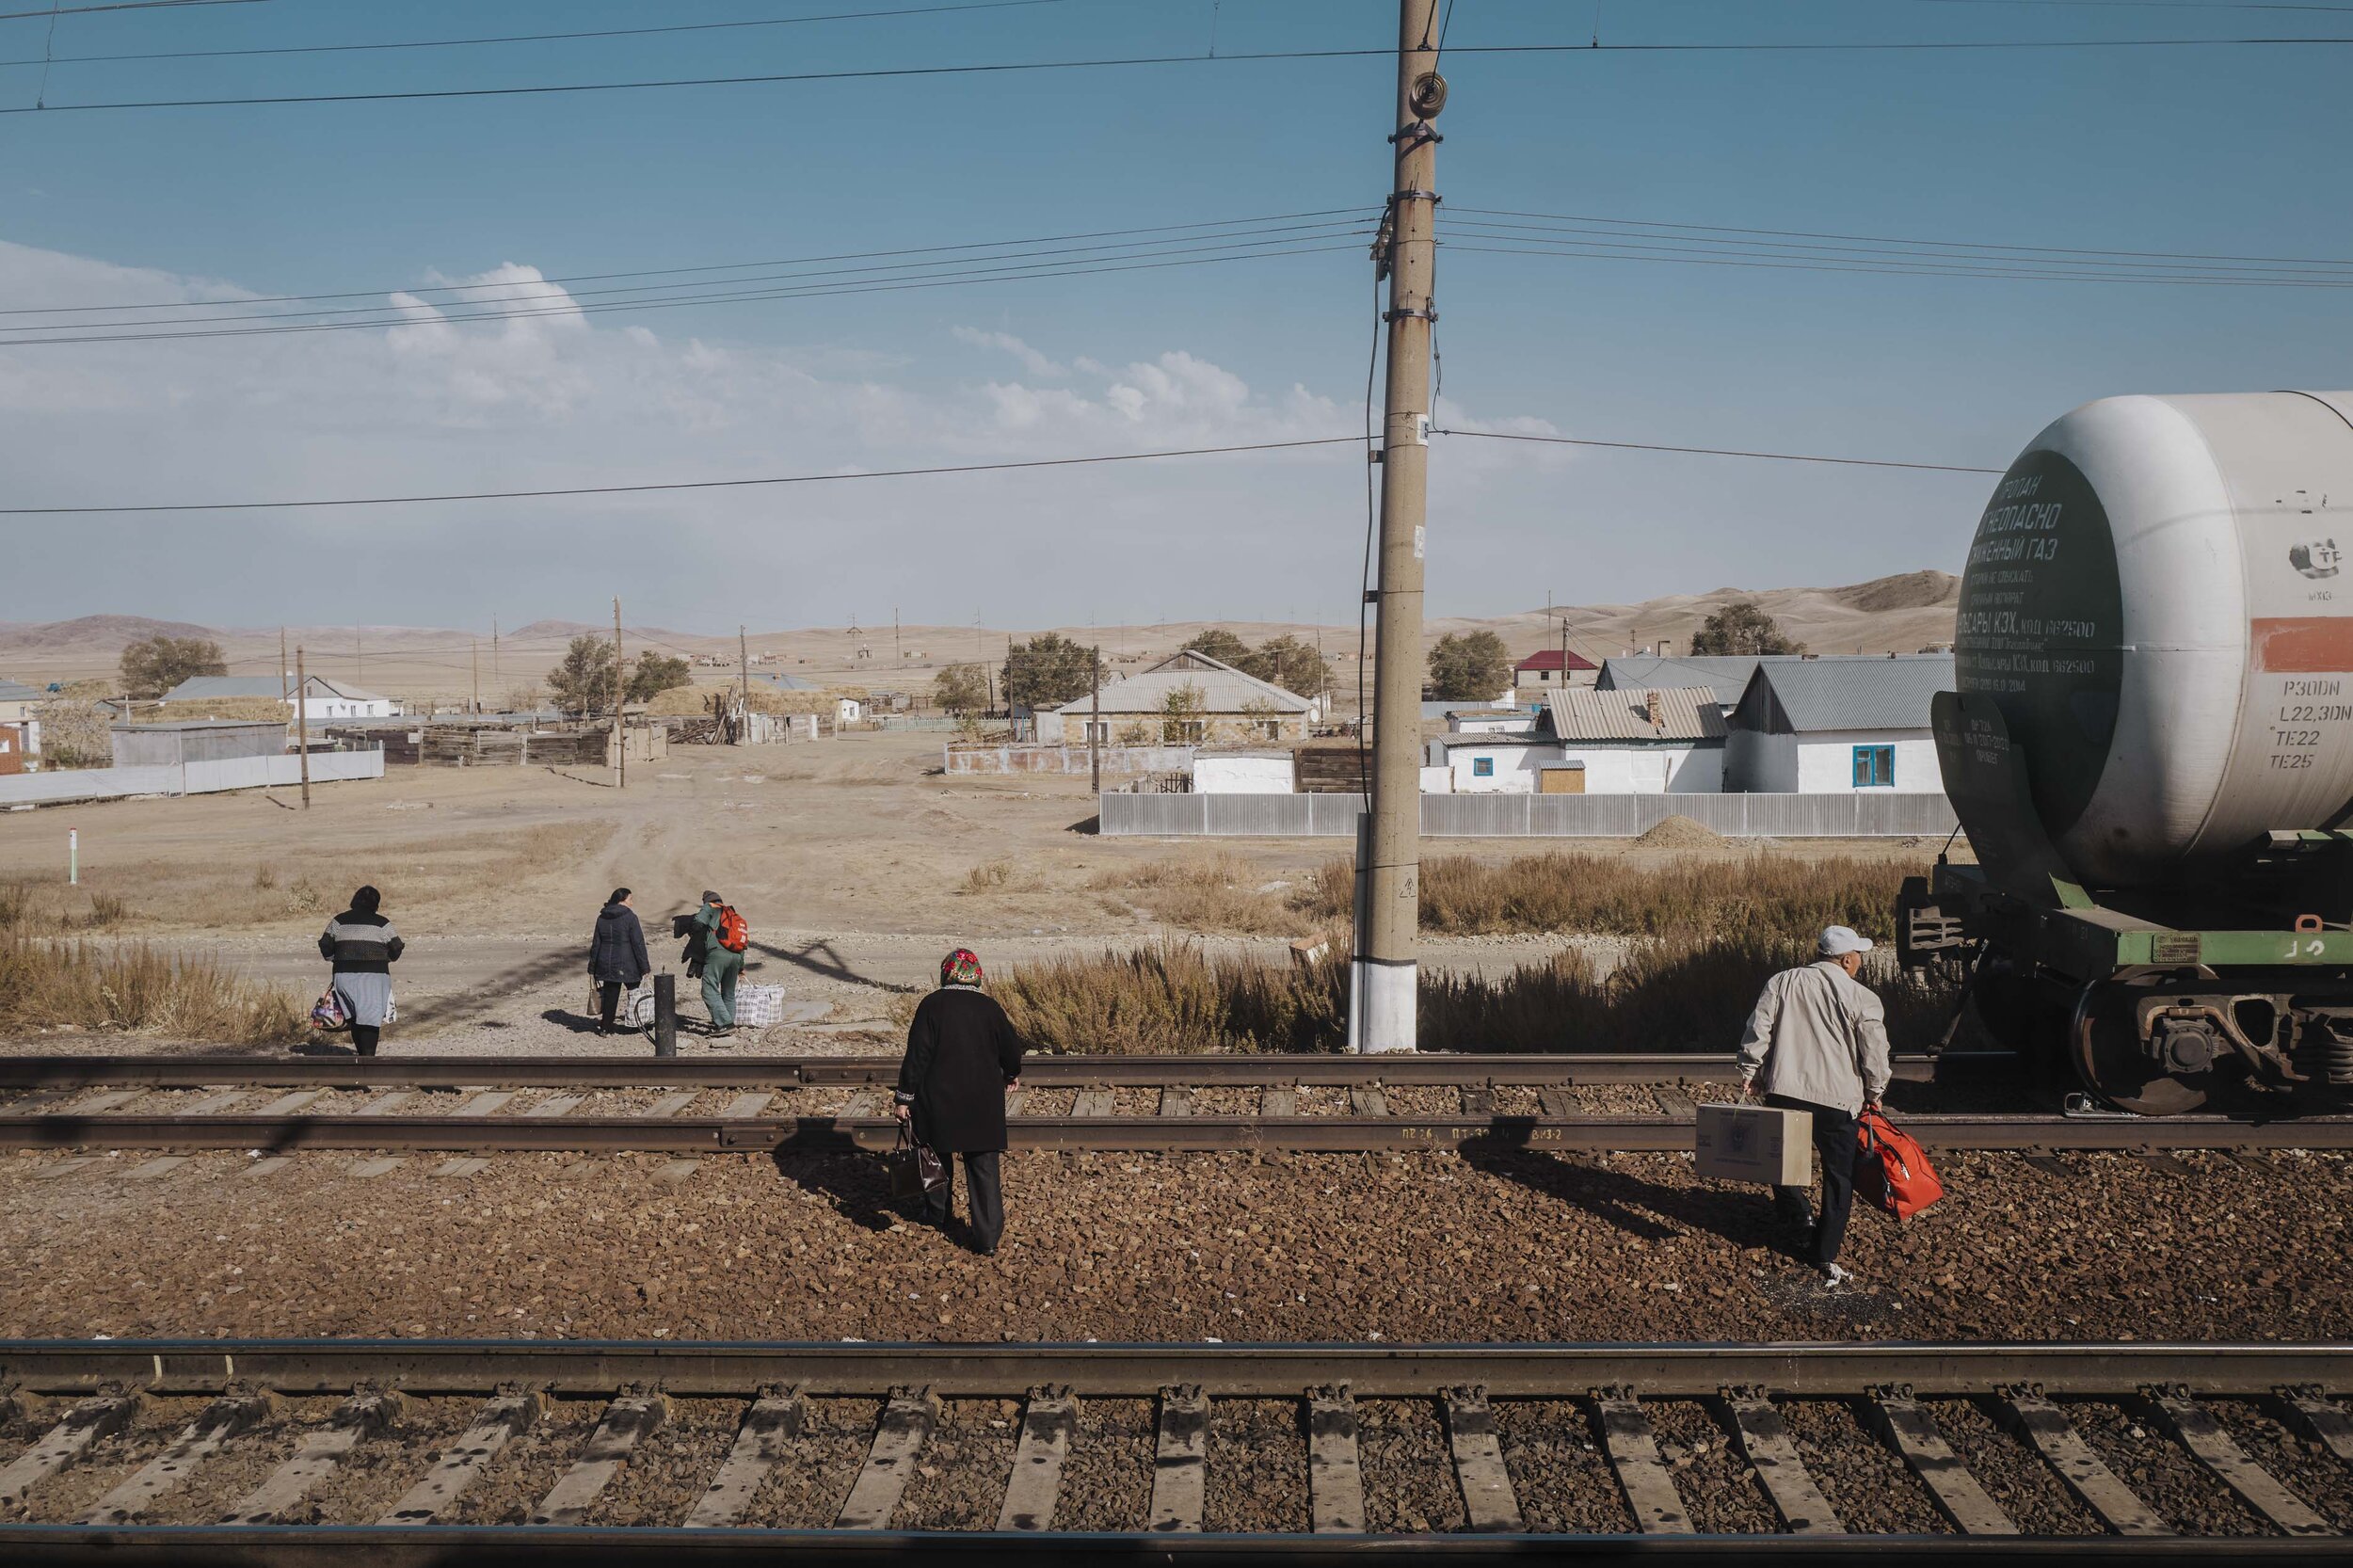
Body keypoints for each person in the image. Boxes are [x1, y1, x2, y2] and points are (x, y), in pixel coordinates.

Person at [1737, 924, 1893, 1286]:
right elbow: (1874, 1051)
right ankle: (1823, 1250)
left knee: (1779, 1161)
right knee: (1839, 1174)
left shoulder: (1782, 982)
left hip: (1786, 1089)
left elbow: (1759, 1028)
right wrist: (1876, 1090)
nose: (1861, 963)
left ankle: (1797, 1214)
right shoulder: (1862, 996)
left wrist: (1750, 1069)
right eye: (1859, 957)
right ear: (1847, 959)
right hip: (1838, 1100)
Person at [894, 948, 1025, 1255]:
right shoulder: (990, 1008)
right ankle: (988, 1238)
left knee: (936, 1159)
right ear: (977, 977)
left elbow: (917, 1056)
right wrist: (1011, 1073)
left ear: (945, 974)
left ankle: (938, 1216)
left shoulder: (931, 1006)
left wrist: (904, 1097)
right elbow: (1011, 1049)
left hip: (937, 1101)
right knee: (984, 1169)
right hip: (982, 1105)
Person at [318, 886, 403, 1058]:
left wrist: (334, 958)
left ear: (354, 900)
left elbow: (325, 944)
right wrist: (388, 958)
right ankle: (368, 1060)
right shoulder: (382, 923)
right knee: (370, 1019)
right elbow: (397, 947)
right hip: (375, 977)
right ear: (376, 904)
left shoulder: (339, 921)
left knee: (355, 1017)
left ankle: (362, 1059)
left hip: (344, 975)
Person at [587, 888, 651, 1036]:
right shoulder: (630, 917)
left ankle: (605, 1028)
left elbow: (596, 944)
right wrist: (645, 967)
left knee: (610, 996)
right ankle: (639, 1024)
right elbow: (638, 944)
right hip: (627, 963)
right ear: (622, 901)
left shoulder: (602, 917)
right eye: (630, 899)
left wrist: (592, 968)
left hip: (607, 963)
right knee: (636, 993)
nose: (632, 903)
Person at [685, 889, 744, 1038]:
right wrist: (741, 967)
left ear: (707, 901)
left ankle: (725, 1023)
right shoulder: (731, 913)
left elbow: (699, 922)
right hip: (736, 956)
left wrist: (694, 931)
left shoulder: (709, 907)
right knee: (728, 992)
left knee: (709, 988)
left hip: (718, 954)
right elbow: (740, 941)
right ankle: (729, 1022)